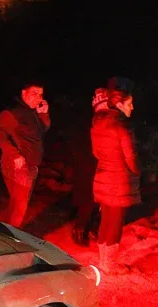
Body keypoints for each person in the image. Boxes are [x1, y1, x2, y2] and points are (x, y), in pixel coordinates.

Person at [91, 77, 140, 274]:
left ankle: (104, 261)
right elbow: (131, 158)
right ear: (119, 104)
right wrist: (138, 171)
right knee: (116, 223)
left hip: (102, 177)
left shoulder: (98, 122)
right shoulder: (122, 126)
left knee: (106, 220)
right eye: (129, 103)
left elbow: (95, 153)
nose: (132, 107)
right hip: (119, 181)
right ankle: (109, 266)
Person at [0, 81, 51, 228]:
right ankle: (12, 238)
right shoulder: (12, 113)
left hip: (31, 166)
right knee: (20, 207)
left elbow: (41, 131)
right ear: (24, 93)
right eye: (34, 94)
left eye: (41, 95)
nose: (38, 98)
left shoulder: (33, 112)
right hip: (18, 166)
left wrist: (44, 114)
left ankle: (2, 231)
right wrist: (15, 155)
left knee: (16, 203)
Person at [70, 88, 111, 247]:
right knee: (88, 200)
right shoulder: (92, 122)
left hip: (100, 165)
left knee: (100, 201)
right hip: (89, 166)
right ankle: (80, 229)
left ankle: (93, 228)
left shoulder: (106, 121)